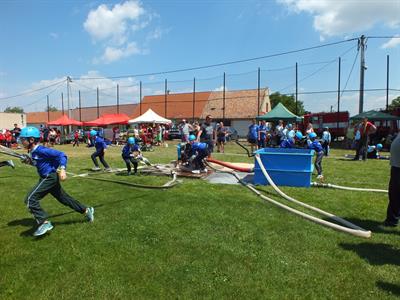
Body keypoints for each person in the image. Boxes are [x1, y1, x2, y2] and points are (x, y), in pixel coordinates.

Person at [19, 126, 94, 237]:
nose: (21, 142)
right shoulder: (33, 151)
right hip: (48, 177)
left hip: (49, 177)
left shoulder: (41, 150)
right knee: (64, 199)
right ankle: (86, 210)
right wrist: (29, 161)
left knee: (30, 199)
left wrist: (63, 169)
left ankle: (44, 222)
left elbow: (61, 155)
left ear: (31, 140)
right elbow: (39, 163)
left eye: (23, 139)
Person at [383, 133, 400, 227]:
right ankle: (392, 219)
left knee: (395, 194)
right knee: (394, 194)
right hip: (396, 166)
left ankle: (392, 220)